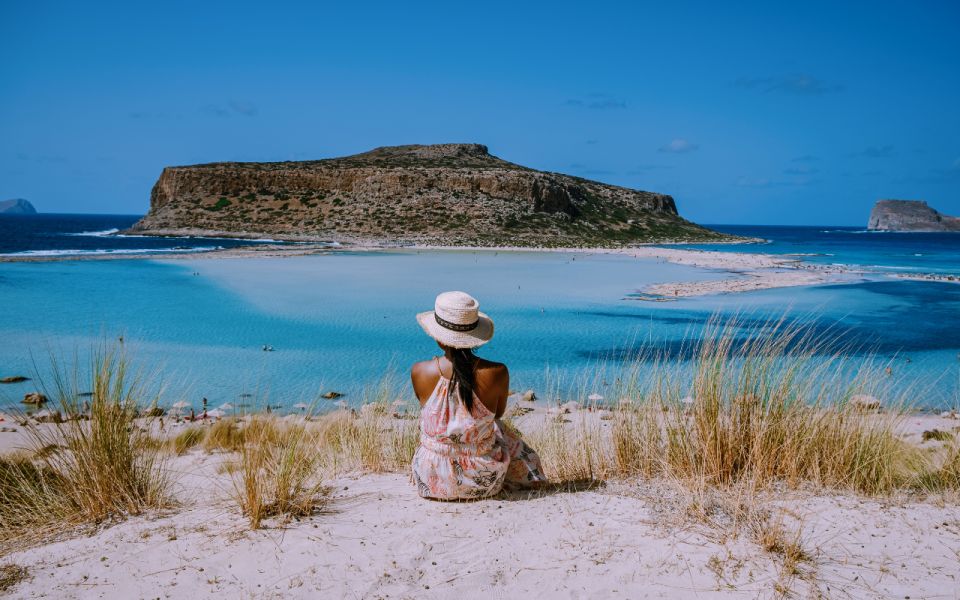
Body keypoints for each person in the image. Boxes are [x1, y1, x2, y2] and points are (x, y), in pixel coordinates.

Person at [410, 291, 546, 500]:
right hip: (483, 482)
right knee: (500, 429)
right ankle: (530, 477)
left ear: (438, 337)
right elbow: (497, 415)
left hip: (430, 480)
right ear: (474, 336)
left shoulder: (420, 371)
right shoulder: (497, 372)